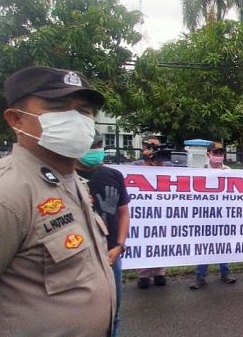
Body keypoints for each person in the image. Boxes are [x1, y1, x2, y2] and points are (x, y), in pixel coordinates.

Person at [0, 66, 115, 335]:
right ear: (16, 119)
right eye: (57, 107)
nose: (76, 119)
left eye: (84, 110)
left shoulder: (72, 182)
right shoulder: (2, 196)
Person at [76, 130, 131, 337]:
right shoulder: (65, 178)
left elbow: (124, 213)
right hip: (79, 257)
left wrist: (120, 245)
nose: (96, 150)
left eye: (99, 145)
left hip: (111, 256)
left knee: (113, 313)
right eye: (92, 145)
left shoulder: (113, 176)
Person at [190, 142, 237, 289]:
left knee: (223, 246)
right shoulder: (201, 171)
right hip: (205, 217)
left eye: (220, 153)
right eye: (215, 153)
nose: (218, 156)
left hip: (223, 215)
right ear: (208, 154)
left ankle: (225, 273)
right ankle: (200, 276)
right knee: (205, 247)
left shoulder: (228, 170)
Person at [132, 136, 167, 288]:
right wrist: (147, 162)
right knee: (143, 239)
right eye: (150, 146)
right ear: (143, 147)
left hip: (161, 210)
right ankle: (143, 274)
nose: (154, 149)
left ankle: (160, 272)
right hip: (142, 211)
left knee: (160, 240)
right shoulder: (135, 164)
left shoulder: (166, 164)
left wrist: (158, 162)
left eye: (156, 146)